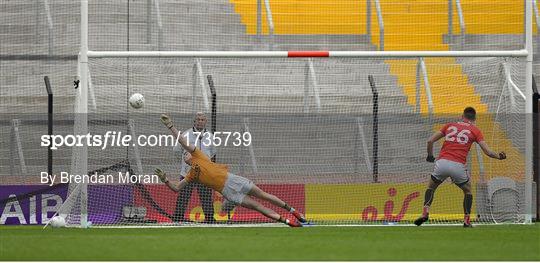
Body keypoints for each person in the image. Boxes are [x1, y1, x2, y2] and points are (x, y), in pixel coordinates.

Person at [156, 114, 307, 227]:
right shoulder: (191, 175)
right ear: (184, 160)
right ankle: (288, 221)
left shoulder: (199, 155)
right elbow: (176, 188)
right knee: (257, 206)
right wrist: (165, 179)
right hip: (228, 192)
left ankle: (293, 211)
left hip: (233, 179)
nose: (186, 153)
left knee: (263, 195)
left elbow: (182, 140)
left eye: (187, 151)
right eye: (184, 154)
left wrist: (170, 126)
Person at [414, 107, 506, 227]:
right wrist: (499, 156)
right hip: (458, 165)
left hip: (442, 163)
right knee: (467, 191)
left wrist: (430, 156)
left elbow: (430, 141)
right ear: (474, 119)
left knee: (431, 188)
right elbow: (488, 152)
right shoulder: (475, 131)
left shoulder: (449, 125)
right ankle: (467, 220)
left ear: (462, 115)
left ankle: (425, 212)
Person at [172, 112, 216, 223]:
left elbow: (213, 153)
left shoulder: (210, 136)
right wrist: (185, 164)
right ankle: (177, 219)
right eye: (198, 119)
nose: (200, 121)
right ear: (194, 121)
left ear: (205, 121)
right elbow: (177, 151)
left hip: (204, 173)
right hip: (188, 173)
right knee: (183, 197)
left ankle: (210, 220)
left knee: (206, 199)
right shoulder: (186, 135)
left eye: (202, 119)